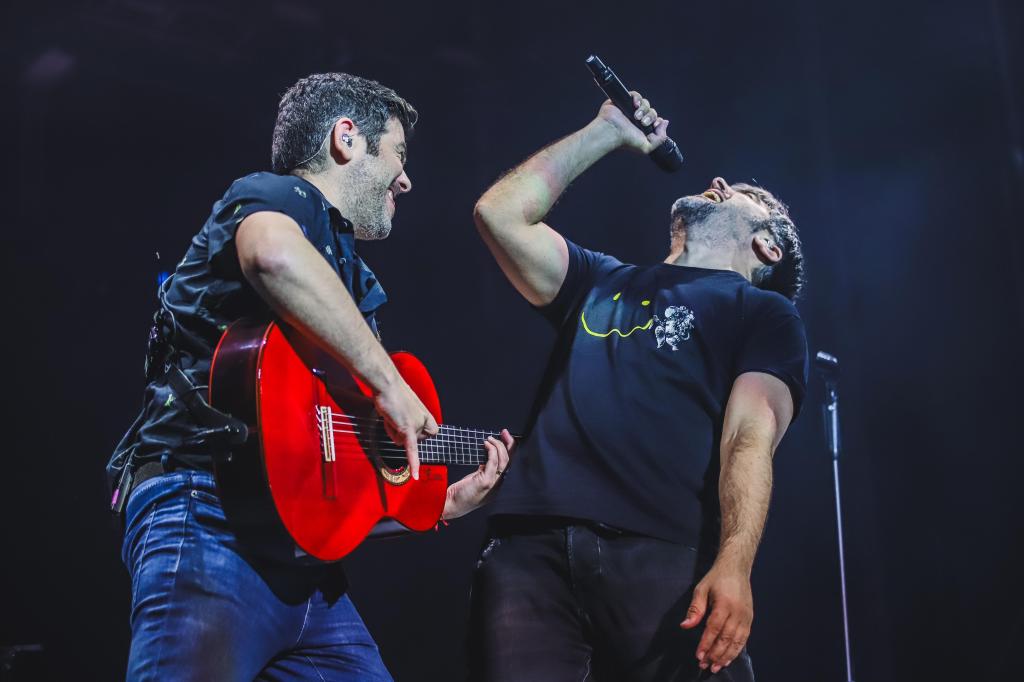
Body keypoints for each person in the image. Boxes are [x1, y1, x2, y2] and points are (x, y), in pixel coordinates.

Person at [107, 72, 513, 681]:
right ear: (345, 139)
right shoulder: (281, 196)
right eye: (397, 155)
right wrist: (390, 384)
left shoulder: (353, 283)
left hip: (305, 574)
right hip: (207, 516)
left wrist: (440, 505)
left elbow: (329, 483)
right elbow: (271, 254)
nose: (406, 178)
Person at [470, 91, 809, 681]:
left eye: (746, 198)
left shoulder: (763, 314)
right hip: (532, 549)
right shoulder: (602, 280)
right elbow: (499, 213)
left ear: (768, 247)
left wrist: (735, 563)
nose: (721, 183)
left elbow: (748, 441)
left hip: (663, 557)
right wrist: (606, 132)